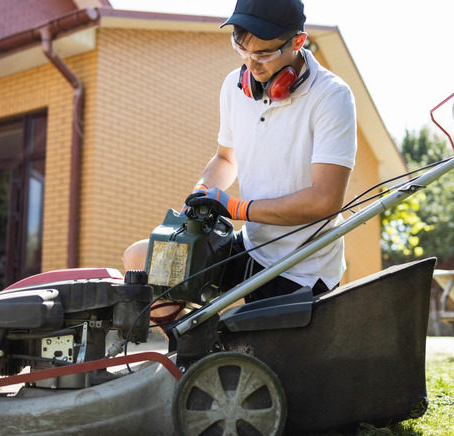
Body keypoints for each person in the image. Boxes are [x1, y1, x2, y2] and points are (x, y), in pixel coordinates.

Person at [123, 0, 357, 304]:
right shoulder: (234, 87)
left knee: (243, 332)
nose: (251, 65)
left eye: (264, 54)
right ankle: (187, 333)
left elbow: (324, 201)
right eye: (242, 50)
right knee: (140, 258)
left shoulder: (331, 96)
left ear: (298, 41)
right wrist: (203, 190)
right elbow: (226, 158)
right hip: (249, 246)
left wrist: (236, 208)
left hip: (303, 268)